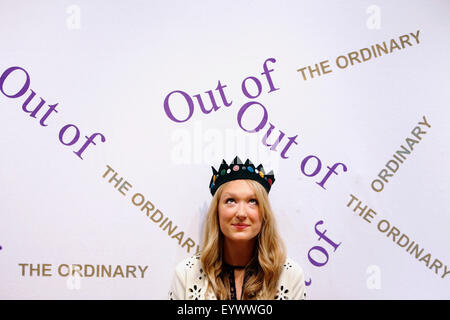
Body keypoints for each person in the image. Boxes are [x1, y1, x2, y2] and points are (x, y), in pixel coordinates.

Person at [168, 156, 306, 300]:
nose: (241, 213)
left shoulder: (290, 276)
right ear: (217, 212)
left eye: (253, 201)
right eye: (230, 201)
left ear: (264, 213)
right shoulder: (186, 274)